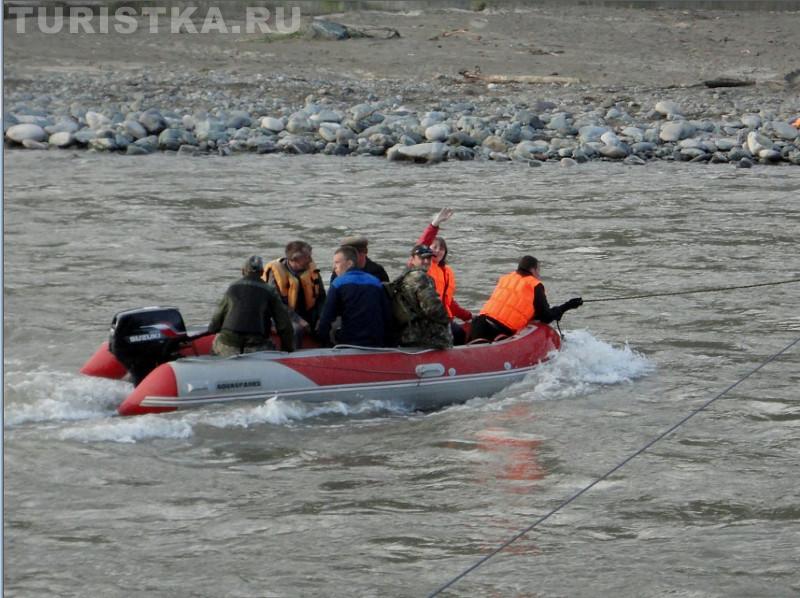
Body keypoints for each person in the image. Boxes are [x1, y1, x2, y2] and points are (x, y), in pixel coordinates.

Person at [471, 255, 582, 342]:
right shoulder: (534, 285)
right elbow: (546, 317)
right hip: (497, 332)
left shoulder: (506, 278)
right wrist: (567, 306)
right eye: (539, 270)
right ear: (533, 270)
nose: (539, 274)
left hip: (478, 323)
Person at [208, 255, 295, 356]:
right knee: (271, 345)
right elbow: (284, 325)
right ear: (262, 272)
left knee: (217, 342)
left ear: (243, 271)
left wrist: (213, 329)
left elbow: (215, 323)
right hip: (256, 348)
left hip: (228, 346)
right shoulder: (269, 291)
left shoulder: (232, 288)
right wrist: (287, 350)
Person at [414, 207, 472, 345]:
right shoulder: (424, 267)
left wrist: (468, 317)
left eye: (441, 248)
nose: (438, 251)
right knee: (458, 334)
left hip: (445, 318)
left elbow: (449, 302)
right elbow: (421, 245)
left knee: (462, 333)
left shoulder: (447, 272)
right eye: (435, 247)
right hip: (430, 319)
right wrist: (434, 225)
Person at [317, 245, 391, 347]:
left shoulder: (338, 283)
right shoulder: (376, 282)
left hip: (350, 342)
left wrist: (321, 340)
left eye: (337, 263)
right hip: (376, 341)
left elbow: (326, 318)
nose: (334, 267)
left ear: (349, 263)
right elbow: (387, 315)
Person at [263, 240, 326, 348]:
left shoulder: (312, 270)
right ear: (295, 260)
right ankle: (292, 355)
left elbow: (321, 297)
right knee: (296, 329)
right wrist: (298, 320)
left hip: (307, 313)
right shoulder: (275, 273)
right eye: (307, 257)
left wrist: (322, 317)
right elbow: (277, 305)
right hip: (281, 316)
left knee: (328, 324)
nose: (310, 260)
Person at [391, 244, 453, 349]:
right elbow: (433, 308)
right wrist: (447, 320)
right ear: (412, 259)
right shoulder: (421, 277)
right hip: (424, 336)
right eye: (422, 258)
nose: (426, 261)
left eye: (428, 258)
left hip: (406, 334)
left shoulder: (403, 277)